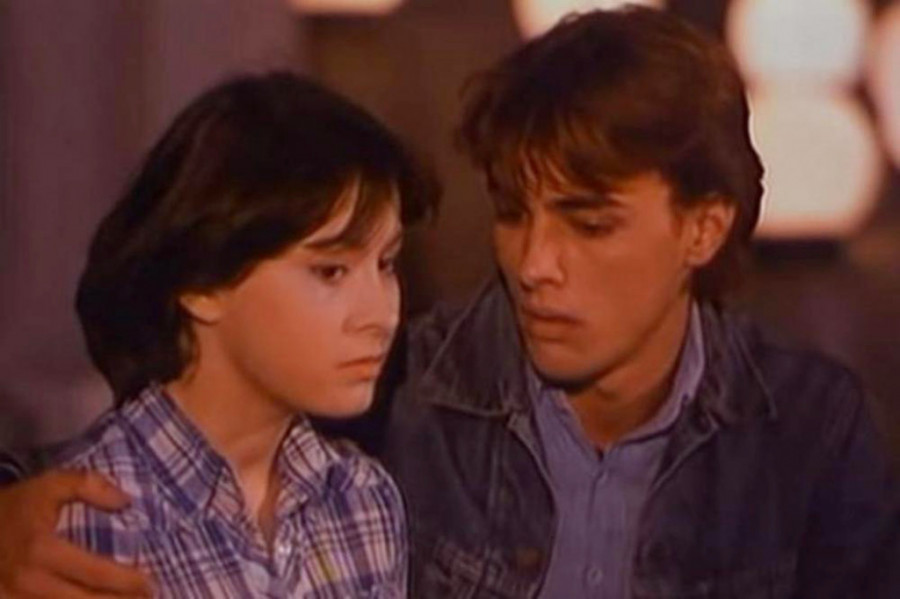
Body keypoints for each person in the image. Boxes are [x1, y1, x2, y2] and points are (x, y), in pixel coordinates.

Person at [2, 6, 899, 598]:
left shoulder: (807, 429)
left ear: (702, 228)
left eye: (589, 223)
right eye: (512, 213)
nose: (535, 263)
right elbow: (156, 442)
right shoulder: (404, 388)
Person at [0, 71, 436, 597]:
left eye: (386, 264)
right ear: (202, 284)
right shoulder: (94, 521)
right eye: (330, 271)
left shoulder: (361, 498)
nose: (381, 314)